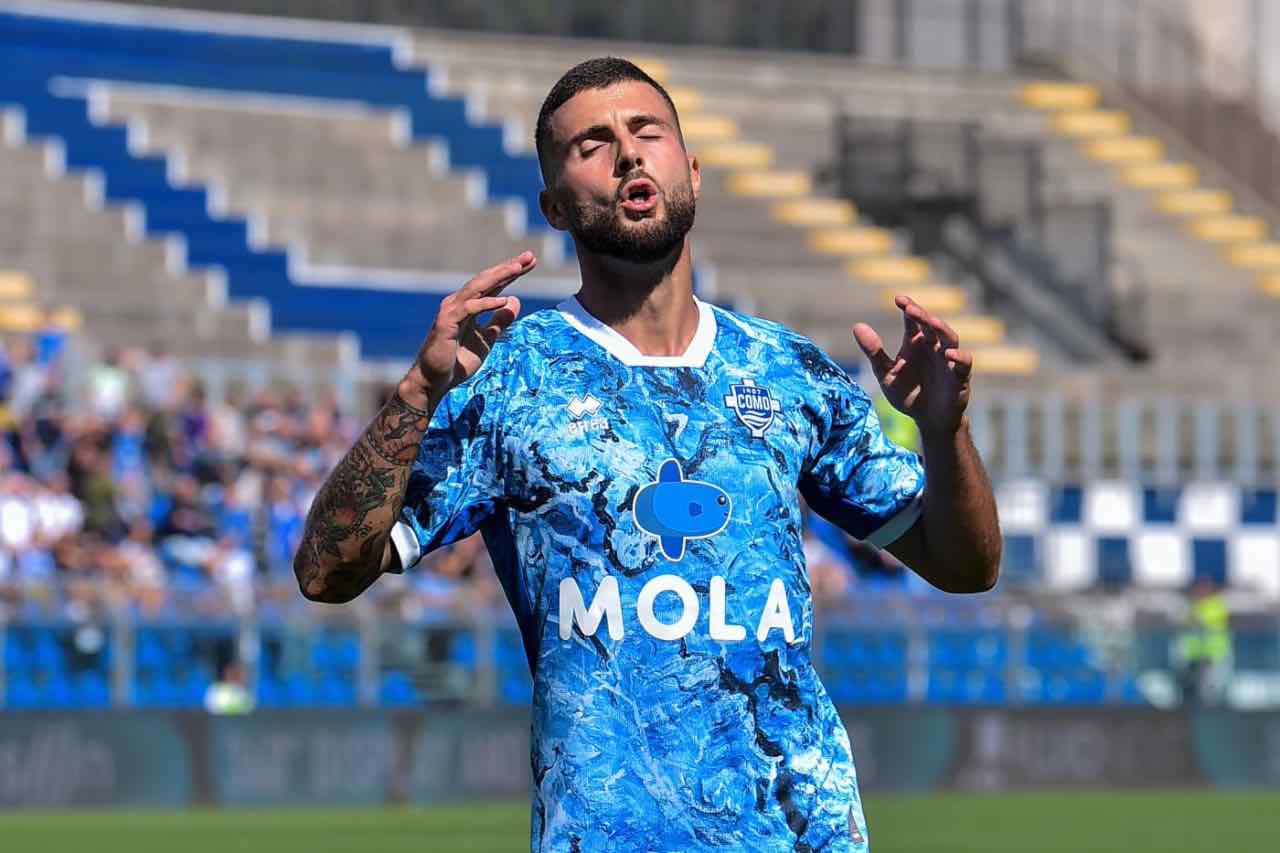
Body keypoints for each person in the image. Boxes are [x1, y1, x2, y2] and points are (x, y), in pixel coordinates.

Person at [295, 58, 1001, 851]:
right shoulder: (511, 380)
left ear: (691, 172)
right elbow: (326, 571)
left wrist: (945, 432)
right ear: (554, 207)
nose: (628, 153)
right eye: (592, 144)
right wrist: (417, 394)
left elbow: (967, 565)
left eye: (646, 131)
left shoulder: (786, 369)